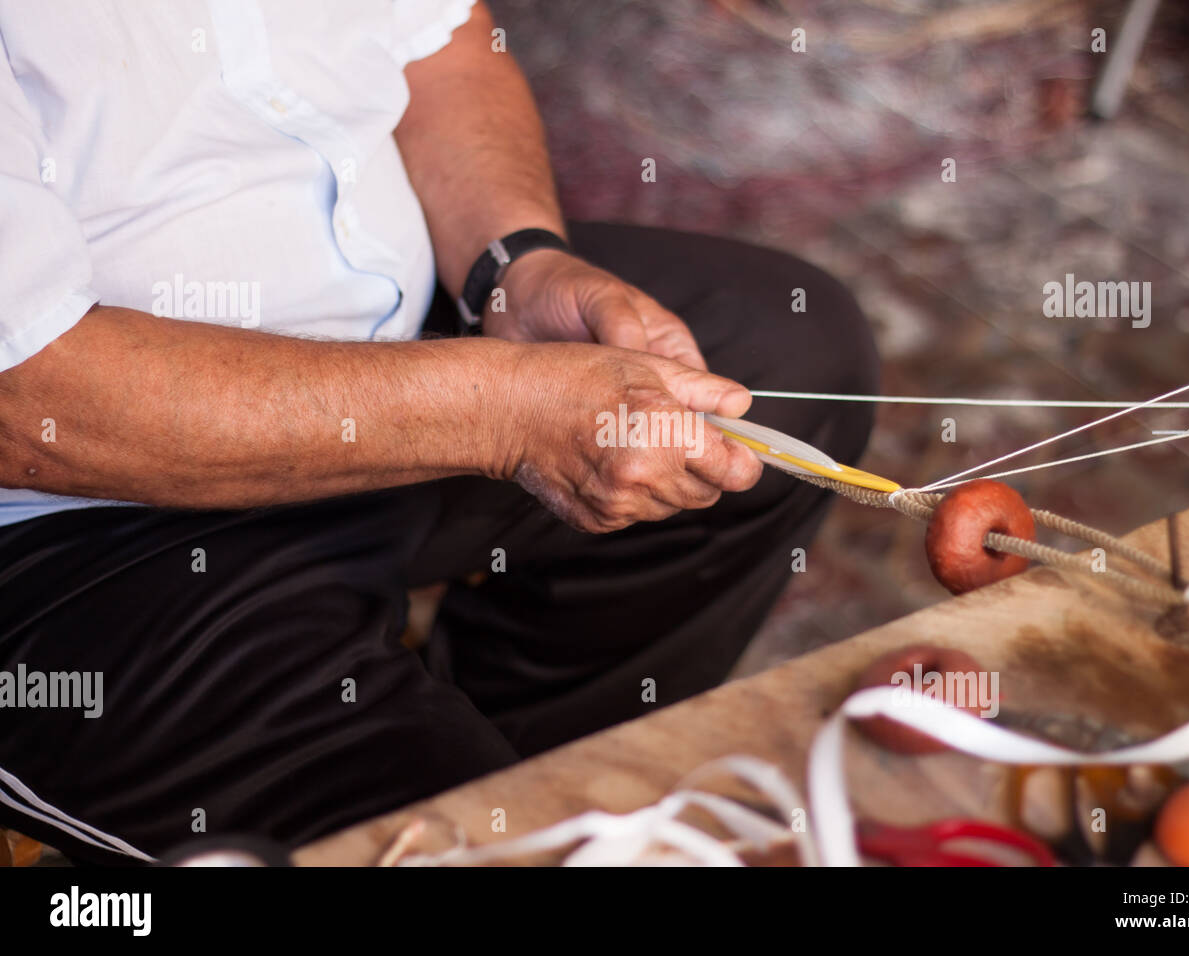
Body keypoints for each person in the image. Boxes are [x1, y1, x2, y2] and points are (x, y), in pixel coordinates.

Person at [0, 1, 876, 863]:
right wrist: (497, 411)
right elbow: (31, 401)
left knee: (790, 357)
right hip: (80, 523)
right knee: (461, 850)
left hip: (413, 346)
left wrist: (514, 263)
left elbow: (443, 43)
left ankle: (543, 779)